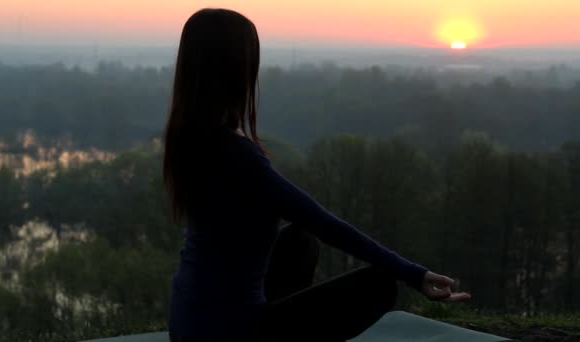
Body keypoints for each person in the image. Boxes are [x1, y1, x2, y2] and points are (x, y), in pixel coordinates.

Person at [163, 8, 470, 342]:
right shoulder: (239, 155)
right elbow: (326, 224)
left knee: (299, 242)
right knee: (377, 285)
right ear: (237, 70)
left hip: (189, 322)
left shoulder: (189, 138)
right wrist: (415, 275)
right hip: (233, 332)